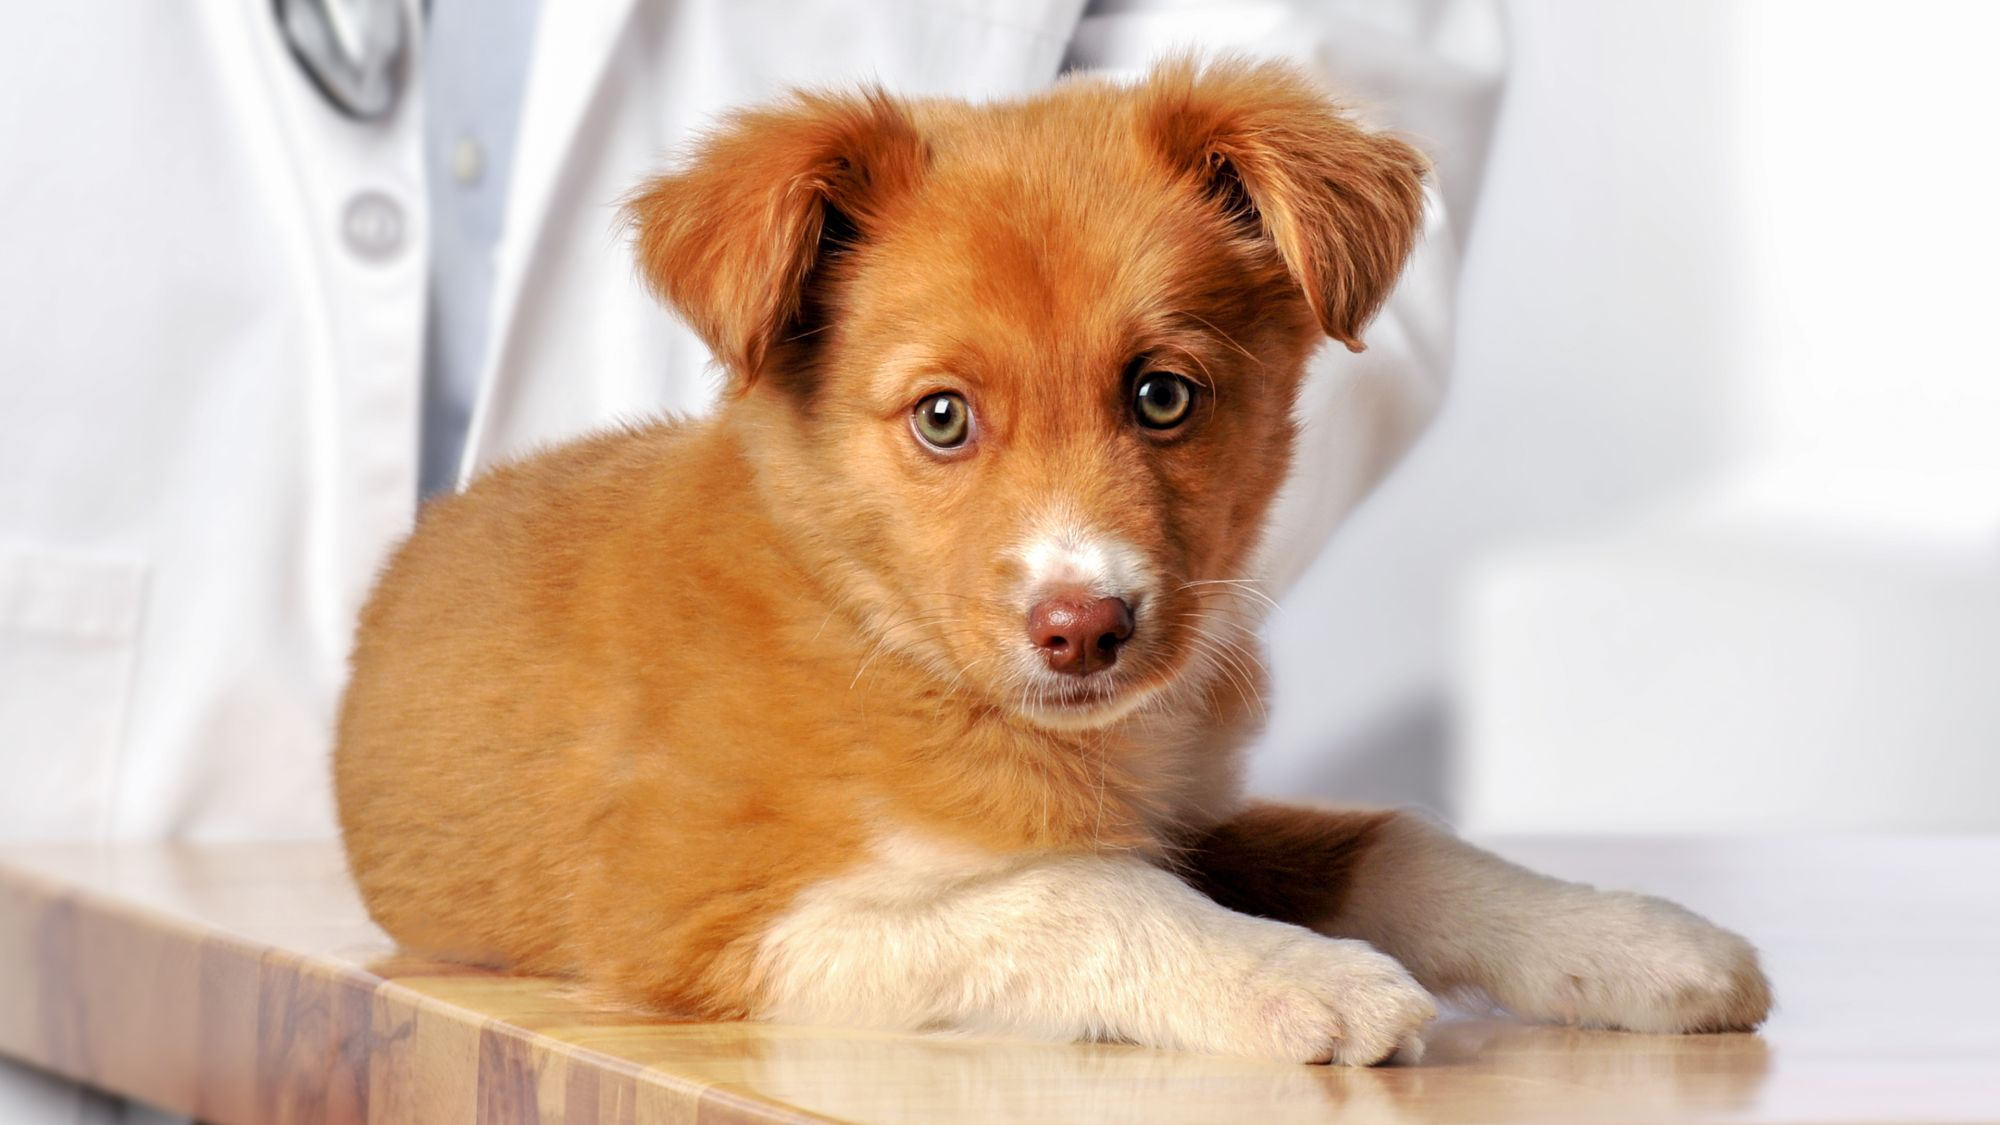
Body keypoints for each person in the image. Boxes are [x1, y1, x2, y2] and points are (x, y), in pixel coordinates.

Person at [0, 1, 1501, 1118]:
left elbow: (1315, 76)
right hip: (111, 851)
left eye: (1158, 396)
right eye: (946, 417)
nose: (1075, 561)